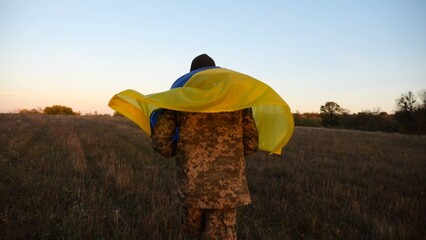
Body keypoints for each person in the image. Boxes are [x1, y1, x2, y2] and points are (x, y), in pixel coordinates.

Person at [151, 54, 259, 240]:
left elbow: (160, 139)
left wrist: (182, 152)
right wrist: (230, 156)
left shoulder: (180, 101)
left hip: (191, 187)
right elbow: (251, 143)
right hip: (226, 191)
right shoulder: (237, 102)